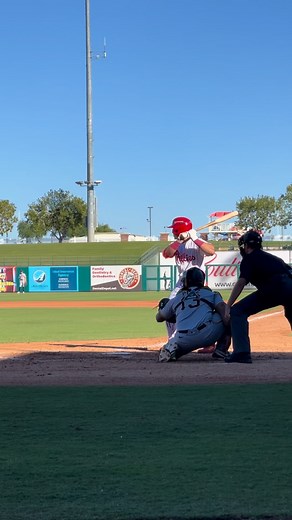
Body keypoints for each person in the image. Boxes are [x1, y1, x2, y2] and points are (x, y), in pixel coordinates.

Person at [224, 230, 292, 364]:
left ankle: (241, 353)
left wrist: (228, 305)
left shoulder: (249, 258)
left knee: (238, 312)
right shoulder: (271, 257)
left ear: (246, 246)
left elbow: (241, 283)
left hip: (275, 287)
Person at [163, 216, 215, 352]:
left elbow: (211, 251)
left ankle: (209, 343)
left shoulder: (197, 242)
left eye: (174, 230)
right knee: (168, 307)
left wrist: (194, 238)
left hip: (198, 282)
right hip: (181, 283)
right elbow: (166, 254)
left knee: (205, 311)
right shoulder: (177, 243)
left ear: (178, 229)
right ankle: (172, 341)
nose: (172, 232)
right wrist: (179, 240)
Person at [156, 267, 231, 362]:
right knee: (225, 313)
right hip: (207, 335)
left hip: (182, 339)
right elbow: (225, 312)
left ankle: (171, 348)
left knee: (179, 342)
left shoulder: (177, 298)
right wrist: (230, 330)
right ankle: (221, 350)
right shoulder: (211, 294)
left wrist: (168, 312)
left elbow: (159, 318)